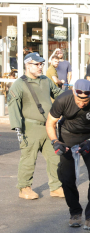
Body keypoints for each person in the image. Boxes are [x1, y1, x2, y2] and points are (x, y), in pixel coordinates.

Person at [46, 79, 90, 232]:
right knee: (66, 177)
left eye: (86, 101)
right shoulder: (63, 99)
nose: (82, 104)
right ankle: (75, 212)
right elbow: (50, 123)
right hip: (68, 137)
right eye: (79, 100)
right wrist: (55, 141)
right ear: (74, 92)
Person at [7, 52, 64, 200]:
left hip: (49, 127)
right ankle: (24, 188)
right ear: (27, 65)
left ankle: (56, 187)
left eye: (41, 64)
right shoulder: (19, 85)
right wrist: (18, 129)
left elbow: (58, 93)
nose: (40, 67)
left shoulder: (45, 80)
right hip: (30, 127)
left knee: (55, 157)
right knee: (28, 159)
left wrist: (71, 97)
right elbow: (13, 108)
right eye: (36, 64)